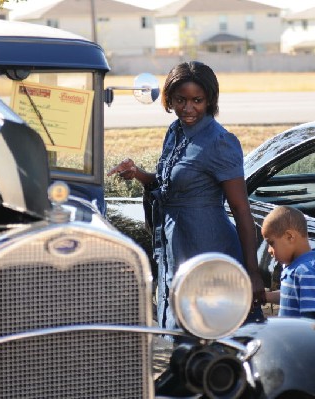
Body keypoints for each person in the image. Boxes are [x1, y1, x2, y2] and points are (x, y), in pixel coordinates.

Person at [107, 61, 265, 332]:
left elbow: (240, 209)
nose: (188, 108)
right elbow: (171, 184)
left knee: (211, 332)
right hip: (176, 244)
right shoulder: (175, 132)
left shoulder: (221, 142)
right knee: (180, 331)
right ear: (169, 99)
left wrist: (252, 270)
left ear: (210, 100)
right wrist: (138, 174)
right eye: (180, 100)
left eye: (197, 101)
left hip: (208, 245)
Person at [262, 206, 315, 328]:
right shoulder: (298, 267)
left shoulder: (307, 271)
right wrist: (265, 297)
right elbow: (293, 295)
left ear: (290, 237)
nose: (269, 250)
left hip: (309, 345)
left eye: (271, 243)